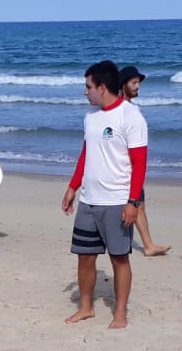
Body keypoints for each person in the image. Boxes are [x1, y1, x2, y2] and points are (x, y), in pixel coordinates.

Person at [61, 59, 147, 330]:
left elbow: (140, 163)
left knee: (119, 258)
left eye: (88, 86)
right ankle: (86, 308)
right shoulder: (91, 117)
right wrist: (73, 187)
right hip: (89, 200)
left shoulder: (130, 116)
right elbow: (86, 154)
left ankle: (120, 314)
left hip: (116, 202)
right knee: (85, 257)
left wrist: (133, 202)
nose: (85, 92)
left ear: (102, 86)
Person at [117, 65, 170, 257]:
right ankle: (146, 245)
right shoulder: (123, 110)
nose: (138, 86)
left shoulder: (129, 108)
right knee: (134, 204)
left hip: (131, 166)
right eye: (134, 83)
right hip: (127, 167)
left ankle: (148, 244)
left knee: (139, 205)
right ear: (123, 85)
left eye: (138, 82)